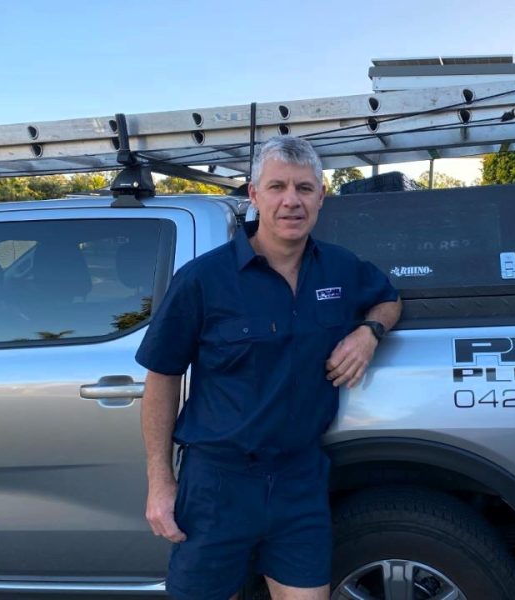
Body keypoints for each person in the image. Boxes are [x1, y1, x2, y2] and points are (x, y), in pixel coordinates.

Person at [136, 136, 401, 600]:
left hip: (300, 479)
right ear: (253, 196)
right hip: (218, 483)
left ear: (322, 196)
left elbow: (389, 299)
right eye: (277, 187)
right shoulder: (202, 280)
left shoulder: (340, 269)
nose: (291, 201)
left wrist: (368, 334)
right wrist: (161, 482)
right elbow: (162, 377)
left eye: (304, 188)